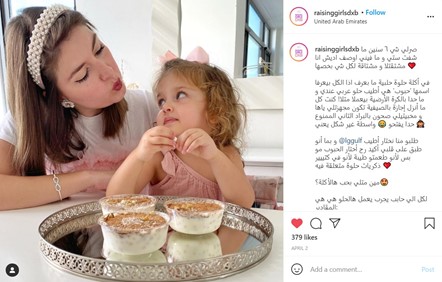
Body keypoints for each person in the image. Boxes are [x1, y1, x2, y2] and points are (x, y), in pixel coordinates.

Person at [0, 5, 158, 210]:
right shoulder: (27, 121)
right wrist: (88, 178)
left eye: (99, 49)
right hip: (64, 239)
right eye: (84, 75)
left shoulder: (147, 106)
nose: (108, 71)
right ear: (55, 95)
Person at [107, 48, 255, 208]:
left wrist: (214, 157)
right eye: (162, 101)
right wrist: (139, 156)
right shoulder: (160, 157)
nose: (166, 106)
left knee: (237, 229)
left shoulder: (225, 153)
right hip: (169, 233)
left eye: (180, 95)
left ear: (214, 111)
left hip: (213, 233)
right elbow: (115, 201)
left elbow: (244, 202)